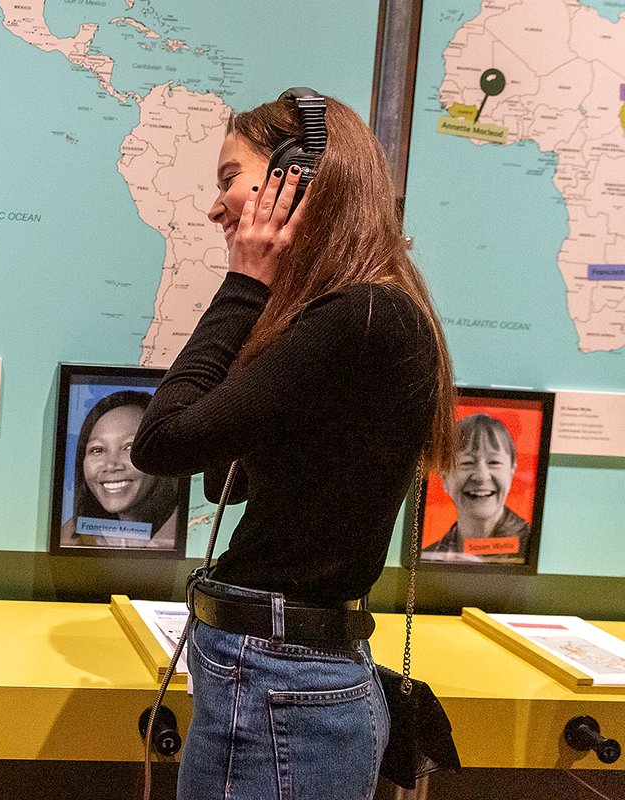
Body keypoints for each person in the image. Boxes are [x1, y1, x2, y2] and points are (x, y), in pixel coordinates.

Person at [132, 89, 456, 800]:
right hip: (278, 674)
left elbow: (161, 442)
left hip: (281, 679)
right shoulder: (360, 314)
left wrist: (245, 284)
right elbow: (227, 479)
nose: (215, 208)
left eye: (230, 178)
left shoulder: (362, 317)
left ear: (298, 179)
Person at [61, 390, 181, 550]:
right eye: (97, 450)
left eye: (129, 447)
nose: (111, 465)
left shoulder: (187, 530)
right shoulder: (70, 537)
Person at [424, 412, 529, 562]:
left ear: (511, 472)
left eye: (494, 462)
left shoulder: (530, 547)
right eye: (467, 463)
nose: (481, 476)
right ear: (444, 477)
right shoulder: (429, 556)